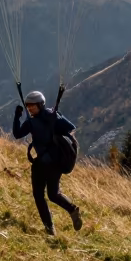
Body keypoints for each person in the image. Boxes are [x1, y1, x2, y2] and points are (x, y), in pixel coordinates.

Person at [13, 90, 82, 235]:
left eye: (33, 106)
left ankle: (51, 227)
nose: (30, 109)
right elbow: (70, 127)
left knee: (42, 195)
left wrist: (17, 116)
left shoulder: (33, 121)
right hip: (52, 163)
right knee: (51, 194)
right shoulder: (52, 115)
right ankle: (65, 216)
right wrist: (54, 118)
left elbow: (17, 133)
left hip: (46, 165)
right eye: (28, 106)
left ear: (40, 105)